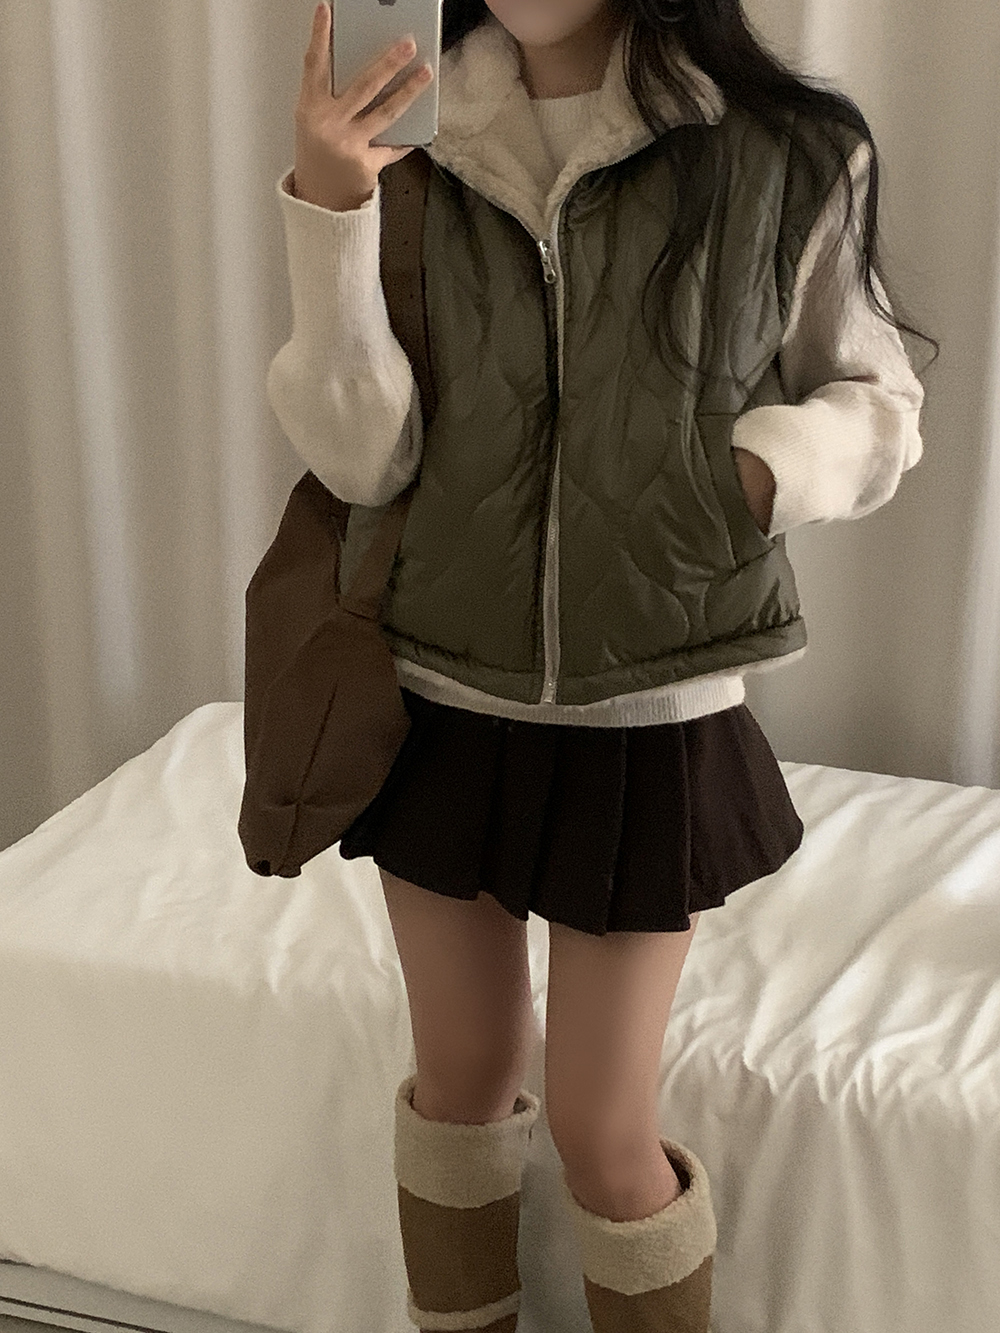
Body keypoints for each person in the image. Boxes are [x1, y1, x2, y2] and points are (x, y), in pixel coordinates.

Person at [269, 3, 934, 1330]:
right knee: (459, 1083)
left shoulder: (787, 152)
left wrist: (756, 474)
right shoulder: (409, 144)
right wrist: (332, 209)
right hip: (439, 687)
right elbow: (364, 461)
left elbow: (879, 405)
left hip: (650, 705)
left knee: (600, 1126)